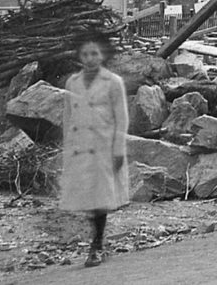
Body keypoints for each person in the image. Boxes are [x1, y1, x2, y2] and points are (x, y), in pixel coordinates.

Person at [60, 33, 129, 268]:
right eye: (85, 54)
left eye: (95, 54)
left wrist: (118, 149)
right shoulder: (72, 83)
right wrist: (66, 147)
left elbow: (122, 118)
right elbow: (68, 117)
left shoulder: (113, 82)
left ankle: (97, 244)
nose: (90, 59)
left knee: (101, 197)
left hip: (103, 145)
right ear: (79, 56)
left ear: (103, 55)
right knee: (86, 195)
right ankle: (97, 239)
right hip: (80, 147)